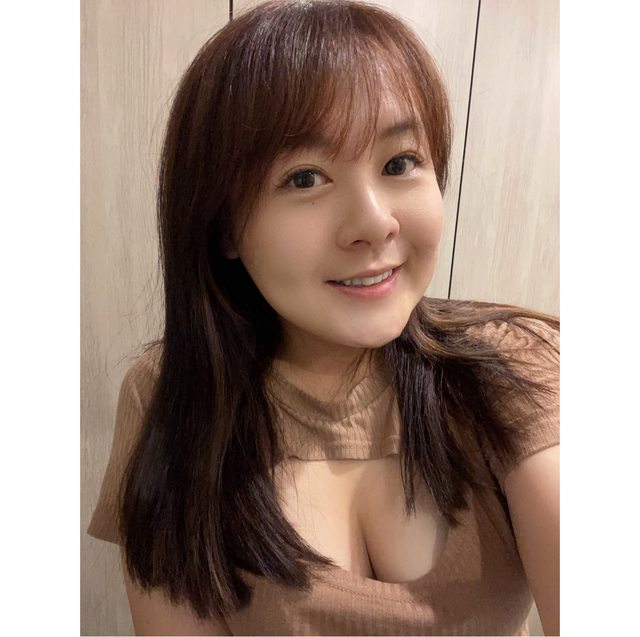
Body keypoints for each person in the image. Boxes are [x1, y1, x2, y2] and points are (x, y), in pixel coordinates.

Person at [87, 0, 560, 635]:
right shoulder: (172, 393)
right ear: (224, 225)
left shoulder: (515, 365)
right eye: (305, 177)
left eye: (399, 163)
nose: (374, 222)